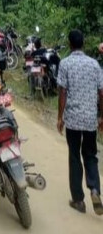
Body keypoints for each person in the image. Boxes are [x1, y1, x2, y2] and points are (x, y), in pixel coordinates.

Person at [57, 29, 103, 215]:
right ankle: (95, 190)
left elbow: (62, 92)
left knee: (75, 156)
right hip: (90, 118)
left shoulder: (65, 63)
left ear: (70, 44)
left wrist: (60, 117)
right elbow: (101, 92)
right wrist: (101, 116)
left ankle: (78, 200)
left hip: (73, 120)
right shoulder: (94, 65)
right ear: (83, 43)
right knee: (90, 155)